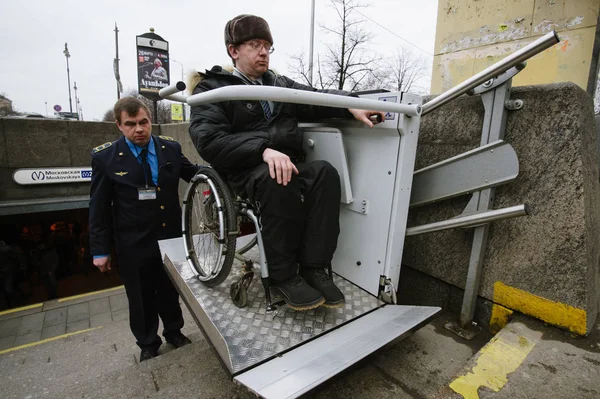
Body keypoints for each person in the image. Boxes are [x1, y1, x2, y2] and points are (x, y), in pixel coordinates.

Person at [189, 14, 385, 311]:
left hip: (285, 163)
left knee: (324, 174)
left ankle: (314, 267)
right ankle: (283, 275)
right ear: (234, 50)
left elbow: (316, 98)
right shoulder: (214, 89)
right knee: (277, 178)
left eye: (268, 45)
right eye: (255, 45)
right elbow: (209, 141)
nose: (264, 52)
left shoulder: (278, 85)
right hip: (244, 169)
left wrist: (351, 105)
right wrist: (262, 151)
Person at [89, 97, 199, 362]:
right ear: (119, 125)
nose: (138, 129)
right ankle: (148, 342)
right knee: (140, 296)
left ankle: (174, 331)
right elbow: (98, 208)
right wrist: (100, 250)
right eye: (131, 124)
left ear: (149, 121)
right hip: (133, 243)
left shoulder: (169, 148)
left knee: (170, 290)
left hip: (169, 237)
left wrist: (223, 174)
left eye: (143, 122)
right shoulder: (105, 158)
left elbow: (192, 172)